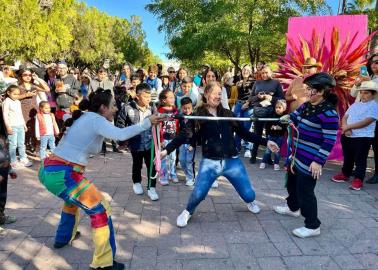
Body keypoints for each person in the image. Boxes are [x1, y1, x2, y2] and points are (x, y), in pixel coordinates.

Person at [38, 89, 163, 270]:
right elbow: (120, 135)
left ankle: (62, 238)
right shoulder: (96, 119)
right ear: (103, 107)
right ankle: (104, 264)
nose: (115, 110)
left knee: (72, 201)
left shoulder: (87, 118)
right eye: (113, 106)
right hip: (63, 174)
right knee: (100, 210)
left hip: (50, 171)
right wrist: (147, 123)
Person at [161, 82, 279, 227]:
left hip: (232, 161)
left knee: (249, 195)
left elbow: (244, 133)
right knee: (198, 194)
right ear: (206, 95)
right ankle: (187, 211)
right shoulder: (198, 115)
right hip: (210, 162)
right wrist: (166, 151)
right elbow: (184, 135)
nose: (218, 96)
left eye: (220, 94)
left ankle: (250, 202)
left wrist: (266, 142)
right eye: (215, 93)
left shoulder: (228, 114)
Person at [274, 72, 339, 238]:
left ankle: (312, 225)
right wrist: (288, 117)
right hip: (296, 155)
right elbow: (295, 117)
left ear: (321, 91)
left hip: (311, 160)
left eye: (311, 89)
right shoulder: (308, 105)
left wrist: (318, 162)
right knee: (291, 184)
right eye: (308, 88)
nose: (307, 92)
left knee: (305, 192)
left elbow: (329, 141)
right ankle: (293, 208)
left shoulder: (329, 114)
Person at [332, 80, 378, 190]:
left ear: (373, 94)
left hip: (363, 137)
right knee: (348, 157)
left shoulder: (374, 106)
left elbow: (367, 121)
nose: (362, 95)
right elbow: (345, 117)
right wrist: (345, 127)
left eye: (366, 93)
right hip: (347, 135)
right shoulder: (355, 105)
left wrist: (349, 127)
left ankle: (358, 179)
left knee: (360, 159)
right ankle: (345, 174)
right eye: (361, 92)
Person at [115, 83, 159, 201]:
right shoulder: (127, 108)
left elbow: (157, 124)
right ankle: (137, 182)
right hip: (135, 143)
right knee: (137, 164)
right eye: (145, 96)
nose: (148, 99)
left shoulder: (153, 108)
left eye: (150, 96)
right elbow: (120, 124)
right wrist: (121, 141)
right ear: (138, 96)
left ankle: (152, 188)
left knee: (152, 166)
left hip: (150, 142)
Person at [244, 65, 284, 164]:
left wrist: (271, 98)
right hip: (258, 112)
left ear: (271, 73)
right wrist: (258, 97)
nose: (264, 75)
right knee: (257, 134)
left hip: (271, 113)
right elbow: (251, 99)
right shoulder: (257, 83)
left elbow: (281, 99)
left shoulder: (276, 83)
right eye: (262, 73)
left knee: (269, 136)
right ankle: (253, 155)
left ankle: (268, 158)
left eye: (266, 72)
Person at [352, 53, 378, 184]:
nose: (374, 64)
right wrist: (357, 84)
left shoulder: (371, 80)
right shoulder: (367, 78)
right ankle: (358, 170)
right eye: (372, 62)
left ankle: (377, 173)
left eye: (377, 62)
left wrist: (367, 81)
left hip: (374, 116)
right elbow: (353, 94)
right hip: (360, 114)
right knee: (360, 143)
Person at [17, 68, 50, 152]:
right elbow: (14, 97)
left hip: (34, 110)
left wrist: (37, 79)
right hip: (23, 110)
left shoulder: (33, 86)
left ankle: (37, 148)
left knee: (36, 129)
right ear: (21, 76)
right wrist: (26, 95)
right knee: (25, 129)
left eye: (30, 75)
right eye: (25, 75)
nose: (28, 77)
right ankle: (25, 147)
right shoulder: (18, 87)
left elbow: (47, 89)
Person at [167, 97, 196, 186]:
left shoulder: (194, 117)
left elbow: (196, 132)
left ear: (192, 107)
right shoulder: (181, 116)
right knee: (182, 160)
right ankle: (187, 174)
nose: (187, 110)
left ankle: (191, 177)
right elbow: (174, 115)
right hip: (182, 143)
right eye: (185, 108)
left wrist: (193, 144)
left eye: (189, 108)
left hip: (190, 143)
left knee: (189, 161)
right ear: (181, 108)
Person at [2, 85, 33, 168]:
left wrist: (24, 124)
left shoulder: (18, 102)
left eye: (18, 94)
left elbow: (20, 114)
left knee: (21, 143)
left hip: (20, 126)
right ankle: (13, 161)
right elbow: (5, 115)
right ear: (8, 93)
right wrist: (8, 127)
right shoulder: (6, 102)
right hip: (12, 126)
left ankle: (23, 158)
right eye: (14, 94)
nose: (16, 96)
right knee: (13, 144)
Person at [157, 89, 179, 185]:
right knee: (164, 158)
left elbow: (178, 124)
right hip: (164, 139)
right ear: (164, 100)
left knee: (173, 158)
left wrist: (177, 137)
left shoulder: (175, 110)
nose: (173, 99)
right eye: (170, 97)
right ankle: (163, 176)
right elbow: (159, 126)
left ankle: (173, 174)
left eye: (173, 97)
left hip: (173, 138)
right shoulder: (160, 111)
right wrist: (160, 140)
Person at [233, 65, 255, 157]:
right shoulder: (239, 82)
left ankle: (247, 148)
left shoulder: (254, 82)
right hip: (238, 104)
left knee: (247, 127)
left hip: (249, 106)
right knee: (237, 126)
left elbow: (255, 95)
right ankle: (236, 147)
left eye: (247, 70)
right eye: (244, 69)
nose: (245, 71)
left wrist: (248, 103)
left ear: (250, 72)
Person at [259, 99, 287, 170]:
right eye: (276, 107)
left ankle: (276, 164)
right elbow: (267, 125)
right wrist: (270, 128)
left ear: (284, 108)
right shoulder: (272, 115)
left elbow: (285, 127)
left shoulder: (285, 117)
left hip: (280, 136)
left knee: (277, 150)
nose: (277, 109)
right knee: (268, 150)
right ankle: (263, 162)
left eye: (279, 108)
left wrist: (280, 127)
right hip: (271, 135)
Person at [0, 135, 17, 230]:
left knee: (2, 196)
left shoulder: (3, 133)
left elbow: (5, 151)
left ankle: (1, 217)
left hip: (3, 169)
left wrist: (9, 169)